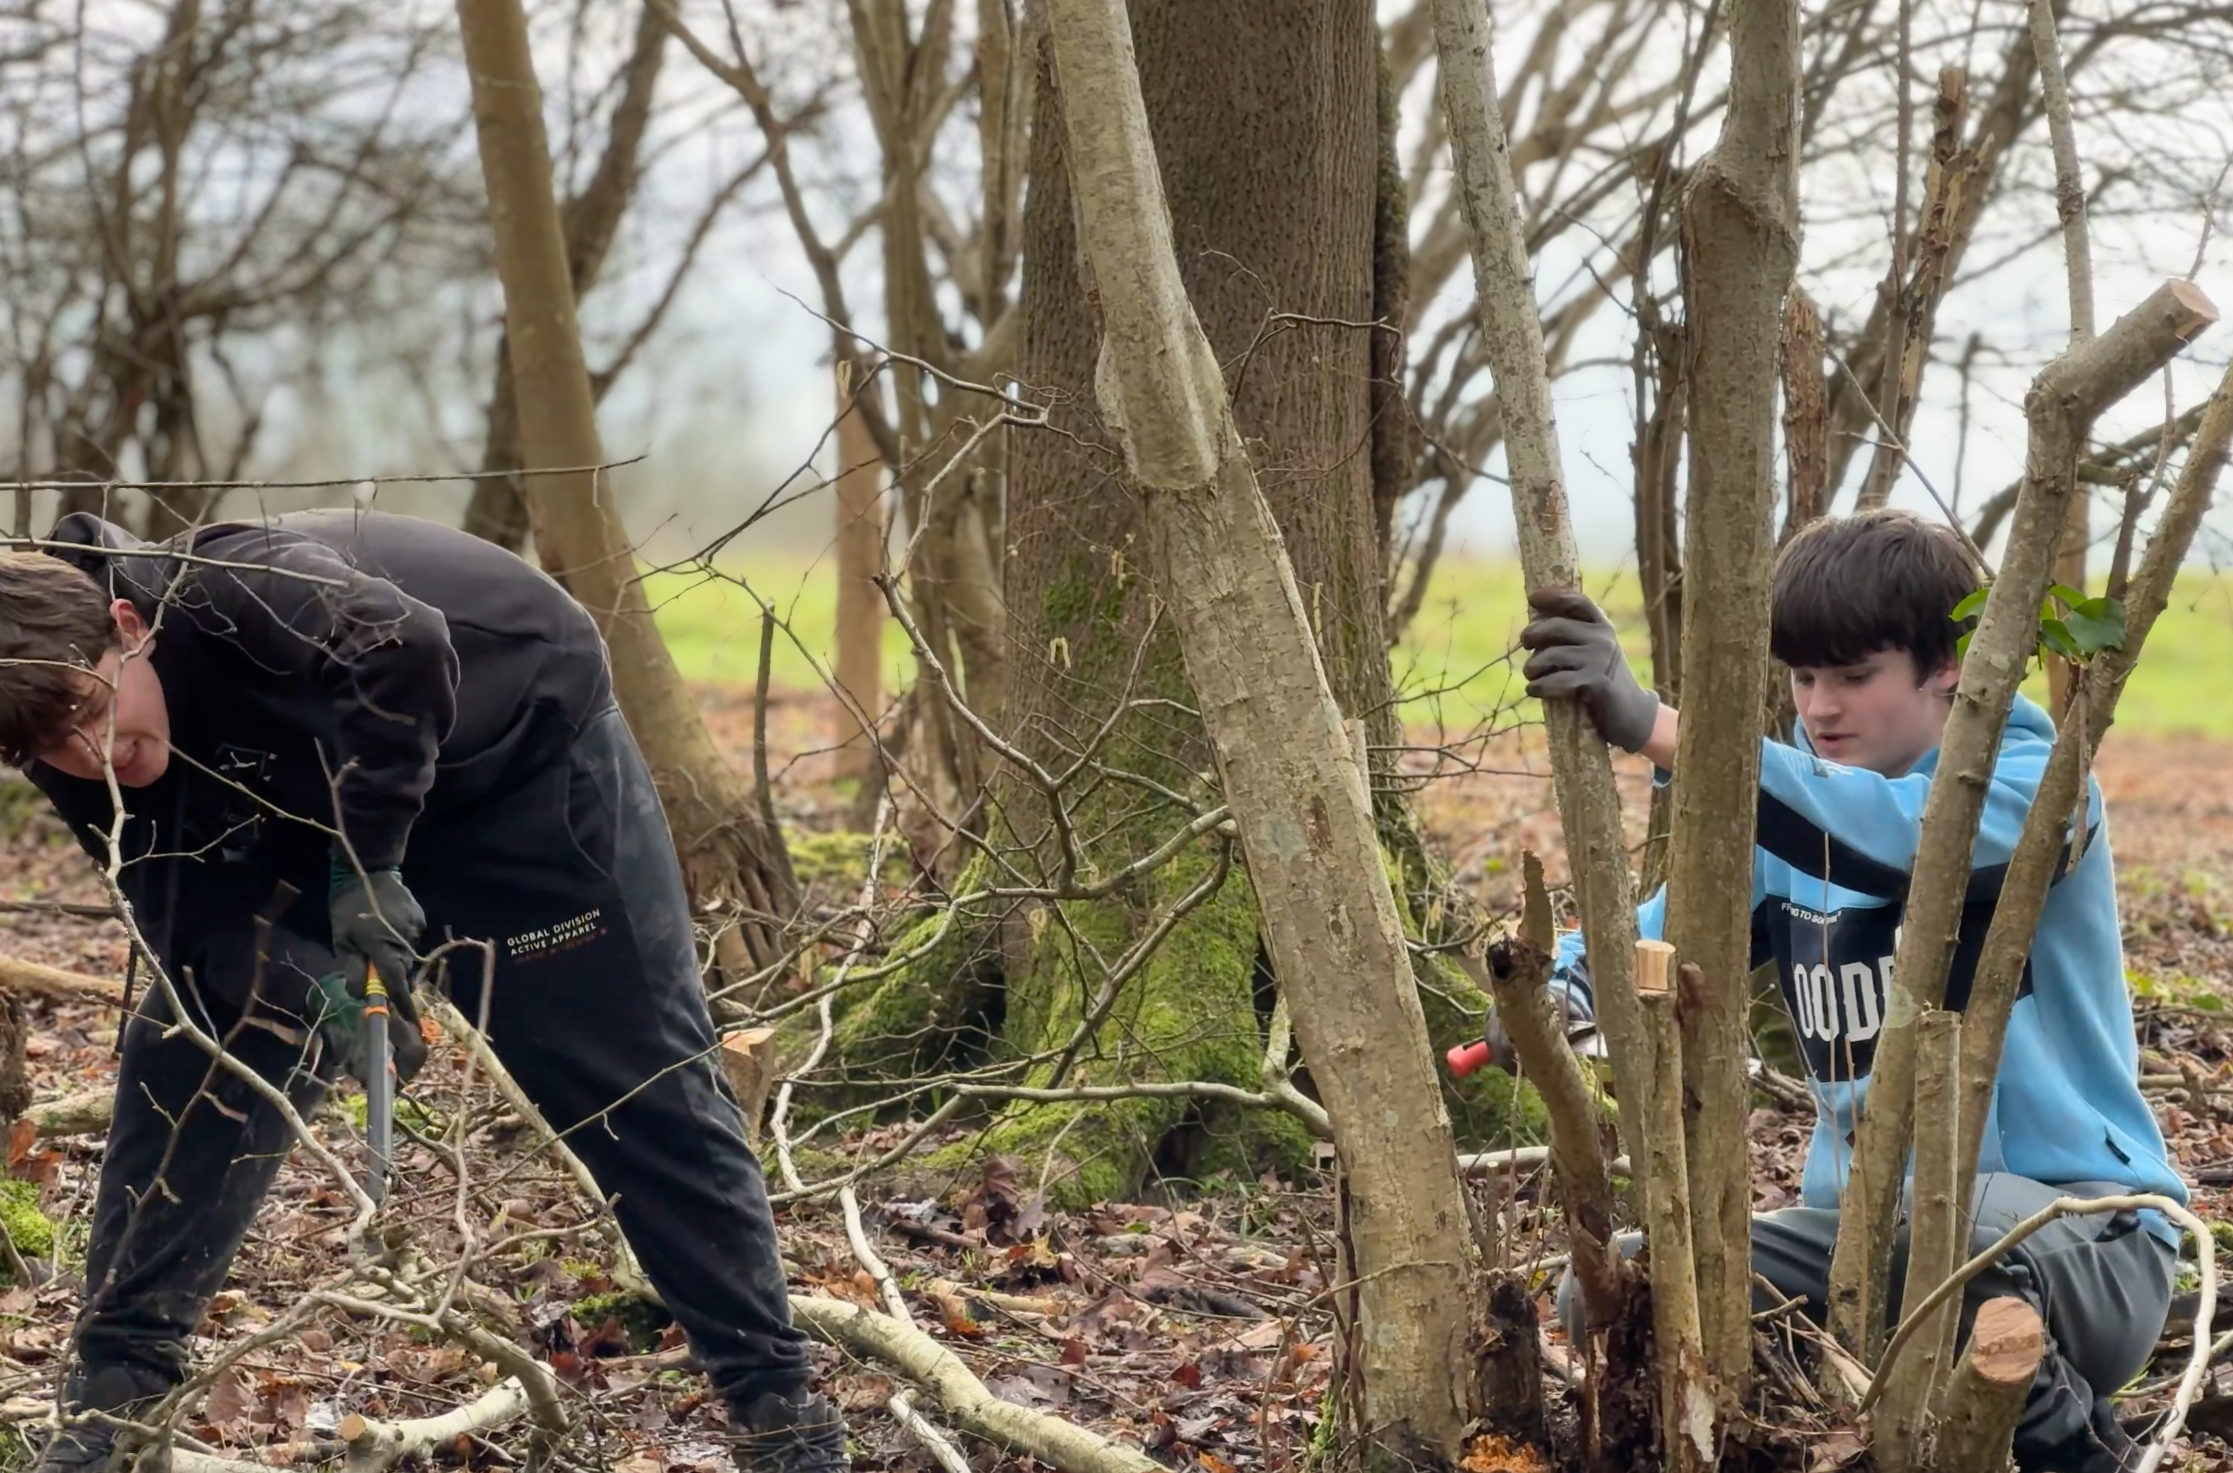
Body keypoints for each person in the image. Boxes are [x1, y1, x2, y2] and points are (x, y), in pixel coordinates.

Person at [0, 509, 845, 1473]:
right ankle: (114, 1395)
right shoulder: (48, 723)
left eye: (91, 710)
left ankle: (776, 1405)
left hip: (516, 768)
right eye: (48, 750)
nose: (91, 754)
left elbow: (401, 643)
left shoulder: (231, 589)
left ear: (127, 624)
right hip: (291, 802)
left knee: (628, 1083)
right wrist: (310, 987)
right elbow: (186, 923)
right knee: (198, 1035)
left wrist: (368, 864)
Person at [1519, 509, 2182, 1473]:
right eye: (1801, 678)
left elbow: (1896, 834)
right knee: (1617, 1288)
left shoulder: (2039, 789)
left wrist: (1659, 727)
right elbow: (1638, 944)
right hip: (1858, 1251)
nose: (1819, 707)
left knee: (1941, 1260)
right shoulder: (1784, 827)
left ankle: (2085, 1457)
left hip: (2082, 1235)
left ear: (1949, 664)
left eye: (1855, 675)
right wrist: (1542, 992)